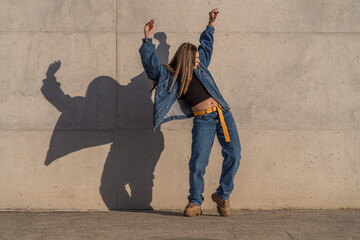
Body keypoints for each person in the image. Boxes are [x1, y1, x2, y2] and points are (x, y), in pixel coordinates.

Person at [139, 8, 241, 217]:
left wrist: (210, 23)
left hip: (223, 114)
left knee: (234, 154)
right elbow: (152, 67)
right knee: (198, 163)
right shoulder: (170, 77)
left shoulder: (201, 67)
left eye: (198, 58)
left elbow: (206, 45)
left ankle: (223, 194)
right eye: (194, 58)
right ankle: (195, 202)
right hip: (204, 120)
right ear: (186, 59)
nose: (198, 60)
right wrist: (148, 39)